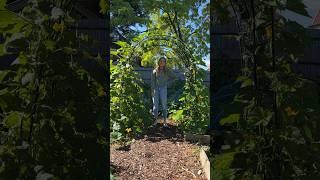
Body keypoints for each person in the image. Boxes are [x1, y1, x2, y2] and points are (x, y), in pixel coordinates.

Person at [151, 57, 177, 127]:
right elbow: (152, 82)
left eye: (164, 61)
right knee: (155, 107)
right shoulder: (155, 71)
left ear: (165, 63)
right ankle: (155, 120)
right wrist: (152, 91)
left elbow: (174, 77)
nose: (162, 62)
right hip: (155, 89)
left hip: (163, 89)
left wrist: (167, 84)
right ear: (158, 62)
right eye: (161, 61)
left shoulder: (167, 71)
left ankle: (165, 122)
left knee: (164, 105)